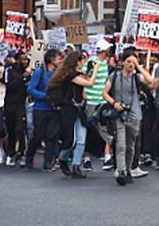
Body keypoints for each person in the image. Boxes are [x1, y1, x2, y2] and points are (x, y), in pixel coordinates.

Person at [102, 49, 153, 185]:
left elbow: (150, 81)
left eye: (133, 62)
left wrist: (139, 67)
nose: (130, 64)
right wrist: (114, 103)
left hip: (134, 114)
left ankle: (128, 169)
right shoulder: (115, 76)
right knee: (120, 144)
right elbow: (104, 93)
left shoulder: (136, 77)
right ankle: (121, 171)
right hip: (119, 113)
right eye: (128, 61)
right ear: (122, 62)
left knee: (130, 145)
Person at [48, 50, 96, 178]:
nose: (83, 63)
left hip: (79, 109)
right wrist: (96, 70)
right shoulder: (70, 75)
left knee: (81, 139)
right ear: (77, 61)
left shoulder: (75, 75)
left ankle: (76, 166)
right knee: (71, 140)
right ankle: (62, 158)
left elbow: (82, 92)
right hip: (69, 110)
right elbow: (89, 83)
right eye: (82, 60)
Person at [26, 49, 63, 171]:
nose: (60, 61)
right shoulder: (39, 72)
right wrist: (45, 96)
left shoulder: (58, 73)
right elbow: (31, 89)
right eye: (58, 58)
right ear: (51, 60)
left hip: (54, 109)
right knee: (38, 135)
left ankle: (48, 162)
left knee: (52, 136)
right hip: (41, 109)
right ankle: (29, 154)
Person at [84, 39, 113, 171]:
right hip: (91, 100)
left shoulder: (106, 64)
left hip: (102, 100)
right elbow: (84, 78)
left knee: (105, 127)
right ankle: (86, 158)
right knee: (90, 129)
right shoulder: (92, 62)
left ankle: (107, 156)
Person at [3, 52, 31, 167]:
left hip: (21, 104)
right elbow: (9, 85)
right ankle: (11, 152)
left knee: (20, 128)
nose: (25, 62)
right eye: (23, 59)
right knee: (11, 129)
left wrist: (28, 79)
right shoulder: (9, 71)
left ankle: (21, 152)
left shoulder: (28, 72)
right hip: (9, 104)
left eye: (27, 60)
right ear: (17, 60)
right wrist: (22, 77)